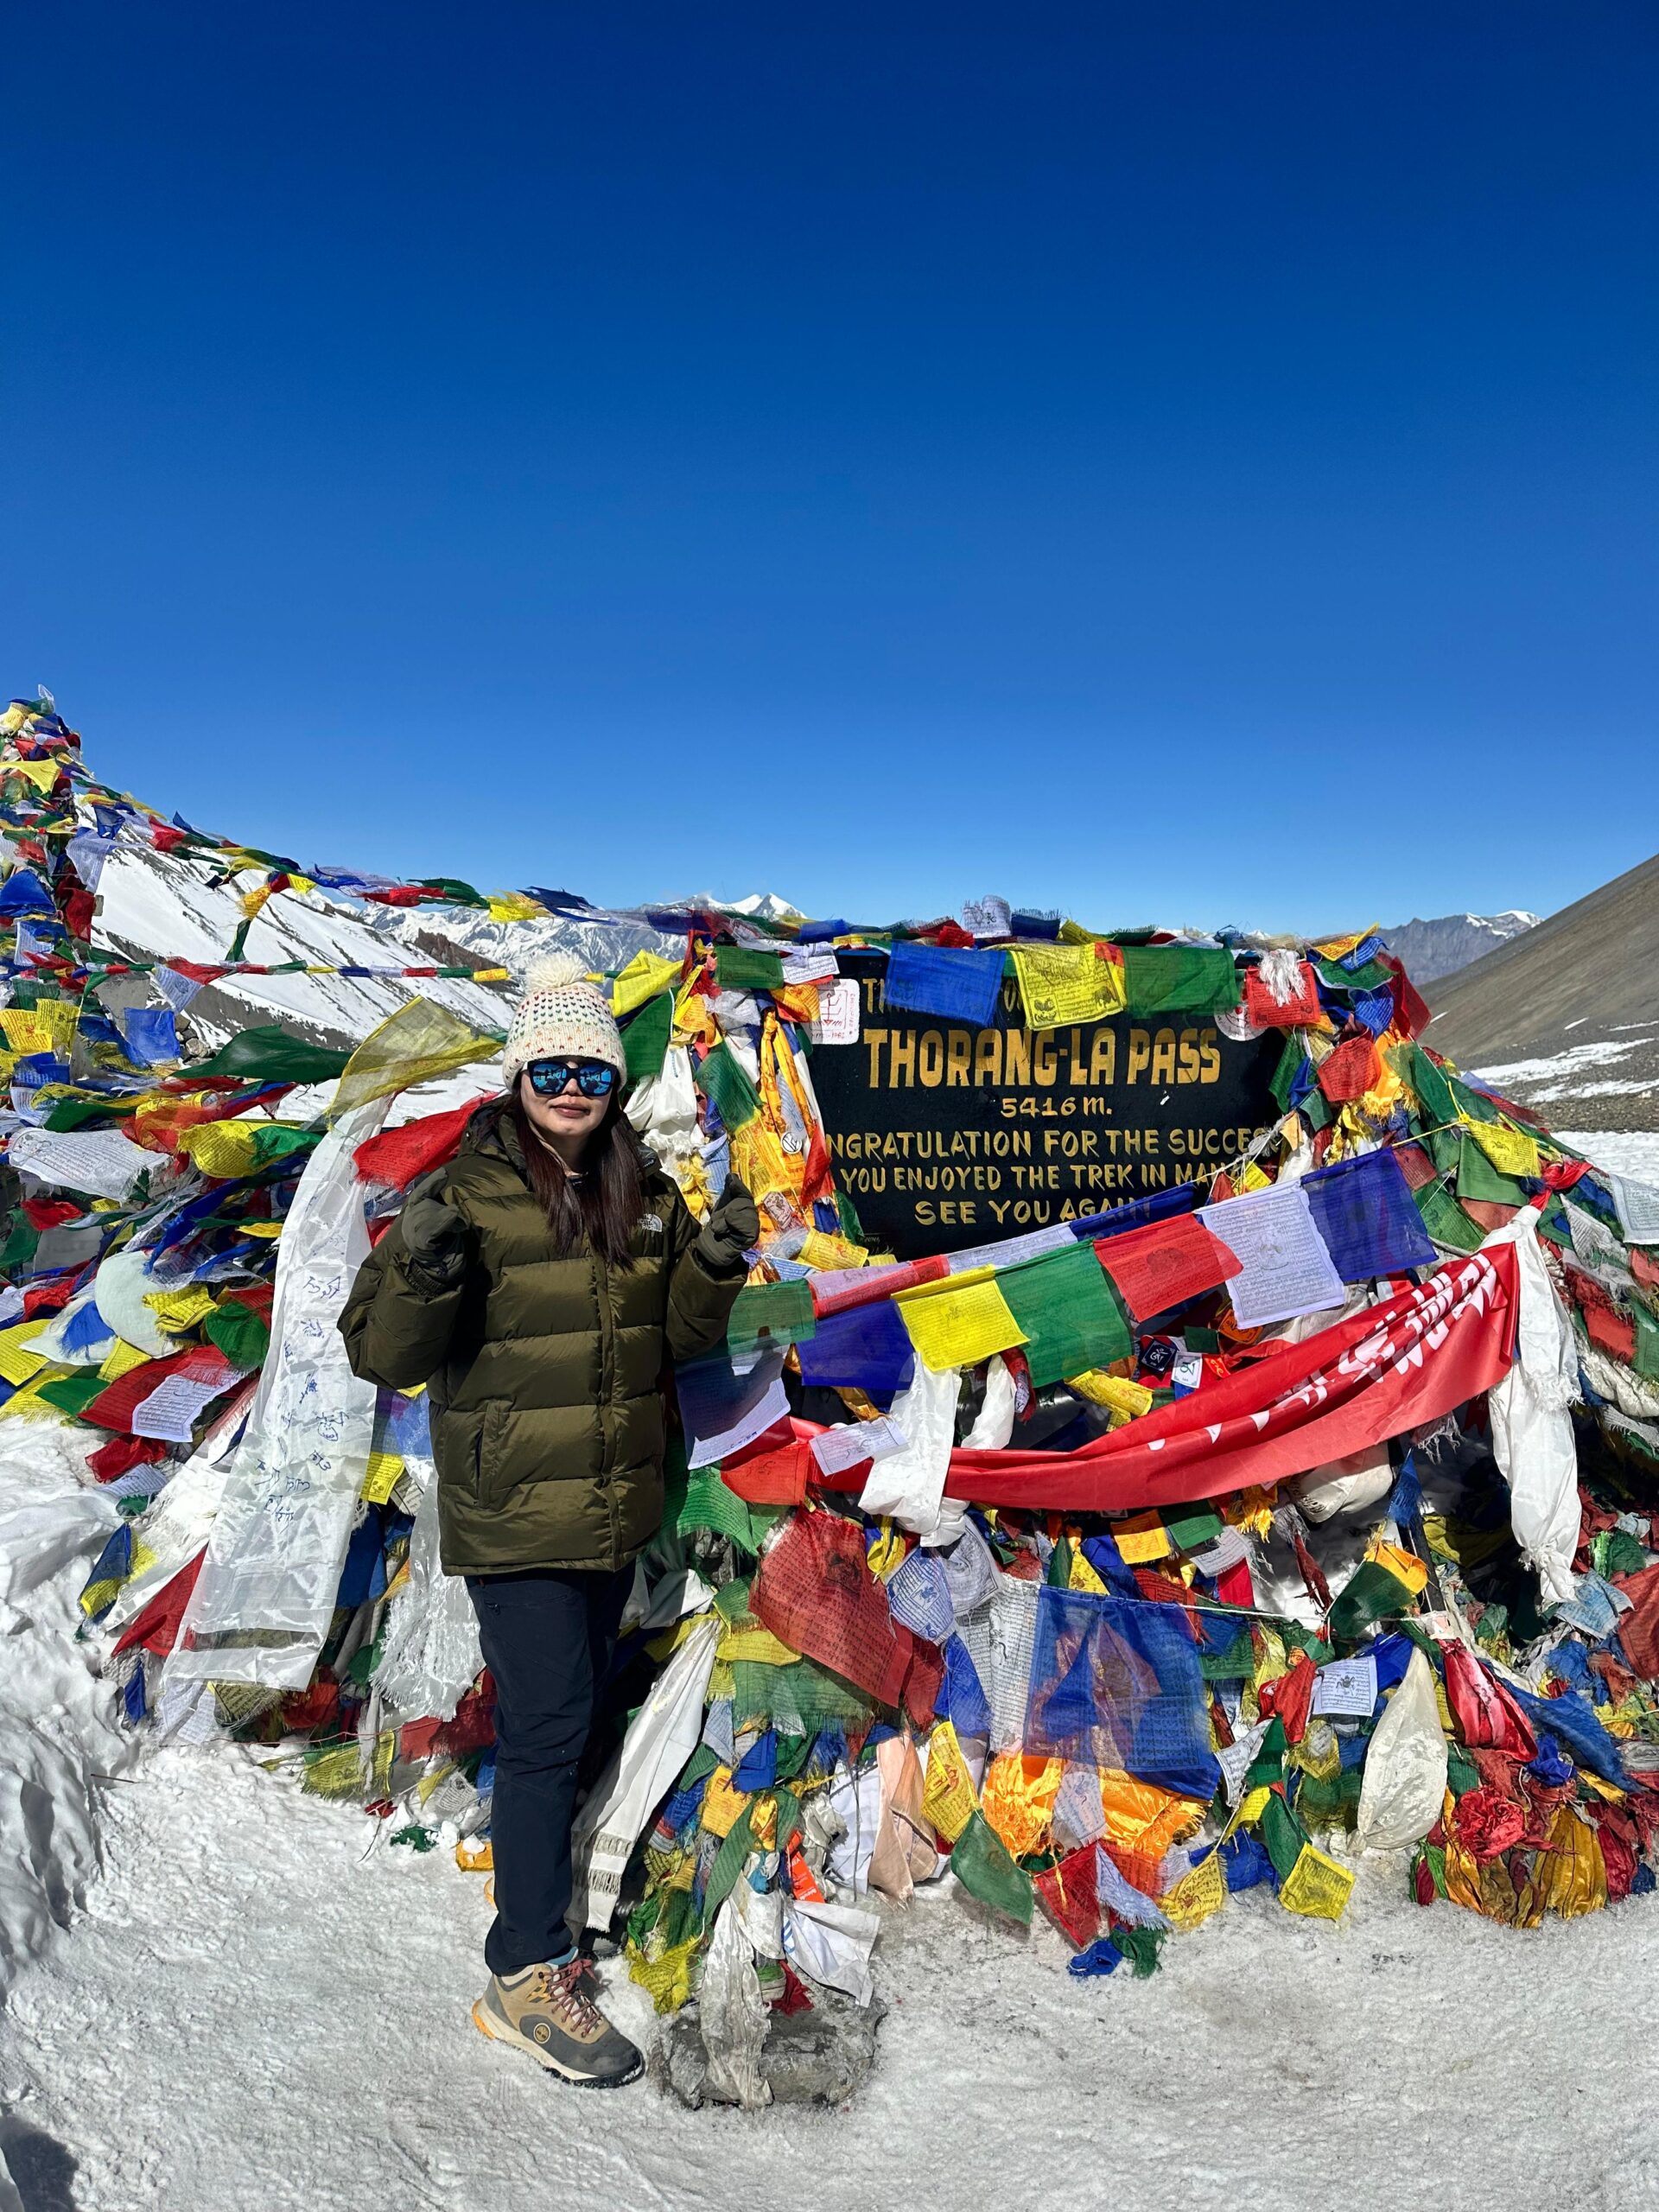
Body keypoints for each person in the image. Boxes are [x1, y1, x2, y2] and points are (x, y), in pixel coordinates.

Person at [340, 954, 754, 2088]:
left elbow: (679, 1340)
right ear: (521, 1073)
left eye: (592, 1070)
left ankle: (546, 1908)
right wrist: (420, 1270)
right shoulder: (464, 1193)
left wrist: (712, 1266)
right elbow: (381, 1350)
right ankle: (522, 1972)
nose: (572, 1087)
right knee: (547, 1729)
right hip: (516, 1511)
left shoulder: (643, 1188)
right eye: (552, 1068)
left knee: (560, 1723)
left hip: (611, 1509)